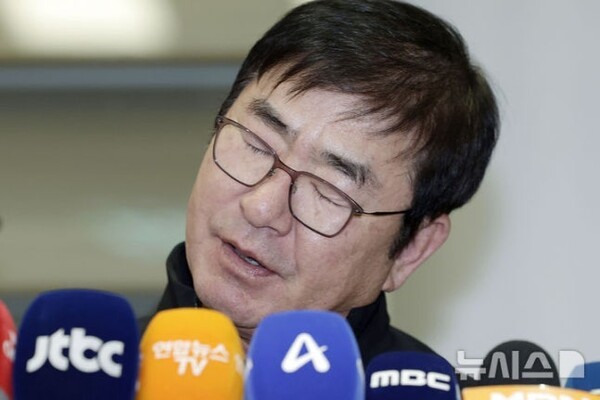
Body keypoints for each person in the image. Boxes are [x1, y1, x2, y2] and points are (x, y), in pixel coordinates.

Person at [149, 0, 499, 367]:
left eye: (329, 190)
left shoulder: (439, 394)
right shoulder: (106, 377)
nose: (261, 208)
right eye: (256, 144)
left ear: (410, 249)